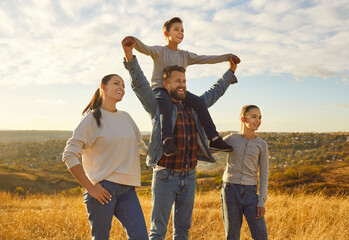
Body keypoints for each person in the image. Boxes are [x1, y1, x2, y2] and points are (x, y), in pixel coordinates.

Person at [122, 37, 239, 240]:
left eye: (184, 81)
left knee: (182, 231)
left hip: (189, 176)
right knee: (158, 231)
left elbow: (215, 91)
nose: (182, 85)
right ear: (165, 83)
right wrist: (129, 56)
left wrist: (231, 71)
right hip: (165, 176)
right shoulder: (158, 106)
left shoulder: (194, 106)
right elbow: (140, 85)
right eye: (177, 81)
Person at [123, 17, 240, 156]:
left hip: (178, 91)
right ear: (166, 34)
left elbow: (206, 58)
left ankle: (214, 138)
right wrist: (133, 41)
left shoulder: (185, 55)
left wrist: (227, 57)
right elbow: (145, 49)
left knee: (199, 102)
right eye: (176, 29)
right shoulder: (160, 51)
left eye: (182, 30)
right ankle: (167, 140)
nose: (180, 32)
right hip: (160, 89)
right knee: (166, 103)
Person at [62, 74, 149, 240]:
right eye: (116, 83)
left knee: (141, 237)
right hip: (103, 189)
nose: (121, 88)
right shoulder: (91, 119)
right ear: (103, 86)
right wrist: (91, 188)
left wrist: (159, 156)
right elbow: (69, 154)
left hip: (128, 190)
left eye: (123, 86)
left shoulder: (126, 117)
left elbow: (141, 146)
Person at [221, 105, 269, 240]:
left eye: (260, 117)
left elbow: (264, 173)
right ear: (243, 119)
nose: (258, 120)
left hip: (251, 193)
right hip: (230, 190)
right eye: (254, 116)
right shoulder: (231, 139)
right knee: (232, 236)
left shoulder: (261, 144)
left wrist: (262, 201)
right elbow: (210, 150)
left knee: (261, 236)